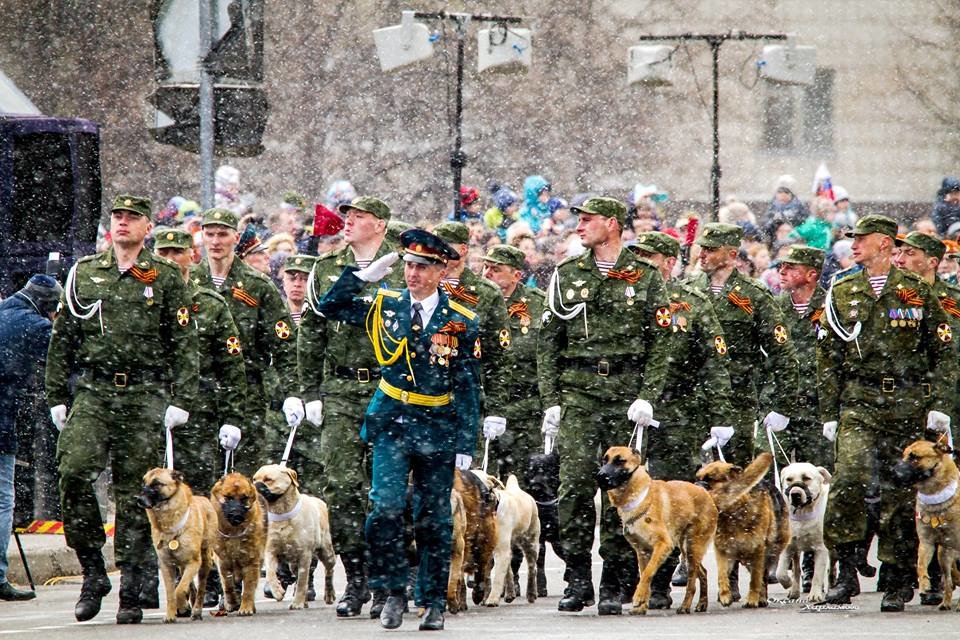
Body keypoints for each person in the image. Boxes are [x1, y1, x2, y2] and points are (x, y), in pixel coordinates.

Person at [315, 229, 482, 631]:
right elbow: (329, 307)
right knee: (385, 507)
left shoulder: (461, 320)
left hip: (437, 425)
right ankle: (391, 589)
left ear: (442, 270)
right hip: (392, 422)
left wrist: (466, 441)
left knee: (433, 517)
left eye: (423, 267)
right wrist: (362, 278)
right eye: (408, 265)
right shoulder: (386, 304)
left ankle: (432, 600)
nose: (413, 274)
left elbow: (468, 385)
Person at [46, 195, 199, 623]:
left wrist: (180, 399)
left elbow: (184, 343)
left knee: (138, 492)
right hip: (94, 391)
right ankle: (94, 568)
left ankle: (133, 585)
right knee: (74, 470)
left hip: (145, 392)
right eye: (118, 217)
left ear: (147, 227)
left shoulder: (165, 277)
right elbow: (64, 339)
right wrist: (57, 395)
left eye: (132, 218)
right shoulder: (85, 272)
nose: (123, 223)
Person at [538, 197, 672, 615]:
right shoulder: (567, 274)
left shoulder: (645, 275)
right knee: (575, 485)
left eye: (589, 220)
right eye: (579, 220)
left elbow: (661, 340)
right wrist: (551, 400)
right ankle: (578, 577)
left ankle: (614, 578)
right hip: (579, 392)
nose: (580, 227)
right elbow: (548, 342)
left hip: (625, 392)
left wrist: (648, 394)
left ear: (612, 224)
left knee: (623, 490)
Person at [818, 215, 958, 612]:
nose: (853, 245)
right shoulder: (842, 289)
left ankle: (897, 576)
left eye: (861, 239)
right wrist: (831, 411)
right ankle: (845, 571)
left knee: (900, 489)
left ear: (883, 243)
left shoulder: (914, 290)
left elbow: (944, 350)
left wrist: (939, 406)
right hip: (860, 401)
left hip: (906, 402)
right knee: (849, 479)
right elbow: (828, 356)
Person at [298, 196, 404, 618]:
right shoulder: (327, 268)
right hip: (340, 387)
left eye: (359, 218)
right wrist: (308, 393)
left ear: (379, 224)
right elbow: (312, 331)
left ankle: (387, 579)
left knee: (388, 490)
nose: (349, 223)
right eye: (348, 217)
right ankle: (355, 576)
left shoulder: (403, 264)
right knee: (341, 486)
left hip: (390, 388)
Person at [688, 222, 800, 600]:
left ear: (730, 254)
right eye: (700, 248)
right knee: (693, 486)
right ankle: (694, 568)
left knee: (735, 491)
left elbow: (783, 353)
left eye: (710, 248)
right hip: (692, 401)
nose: (701, 254)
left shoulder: (754, 296)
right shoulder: (688, 291)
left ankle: (738, 571)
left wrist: (781, 405)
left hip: (736, 402)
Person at [628, 231, 735, 606]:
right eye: (637, 256)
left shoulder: (691, 302)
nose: (641, 264)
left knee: (668, 498)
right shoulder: (626, 294)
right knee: (628, 495)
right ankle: (628, 578)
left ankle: (657, 586)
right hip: (631, 409)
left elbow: (715, 360)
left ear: (669, 262)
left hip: (677, 413)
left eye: (649, 258)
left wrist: (721, 415)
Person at [151, 226, 247, 607]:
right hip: (148, 409)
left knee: (201, 503)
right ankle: (145, 581)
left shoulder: (208, 302)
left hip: (200, 416)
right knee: (149, 499)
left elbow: (231, 363)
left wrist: (233, 417)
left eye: (179, 253)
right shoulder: (141, 299)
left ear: (192, 257)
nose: (172, 260)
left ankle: (205, 578)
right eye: (165, 253)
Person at [190, 208, 302, 475]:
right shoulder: (189, 281)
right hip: (197, 391)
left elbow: (284, 343)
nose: (216, 242)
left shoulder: (257, 286)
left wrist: (293, 392)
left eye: (223, 234)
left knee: (241, 483)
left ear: (236, 237)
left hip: (247, 394)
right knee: (196, 478)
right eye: (210, 234)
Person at [892, 230, 960, 606]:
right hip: (906, 406)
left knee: (952, 499)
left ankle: (948, 574)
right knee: (911, 503)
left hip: (947, 411)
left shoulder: (951, 303)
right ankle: (914, 577)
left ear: (932, 261)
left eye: (911, 253)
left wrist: (945, 404)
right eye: (899, 252)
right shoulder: (898, 297)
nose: (902, 259)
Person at [0, 275, 63, 601]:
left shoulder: (4, 311)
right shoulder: (34, 325)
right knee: (2, 500)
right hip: (2, 419)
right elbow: (66, 355)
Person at [431, 222, 511, 452]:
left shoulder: (486, 293)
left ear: (463, 250)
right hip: (423, 397)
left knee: (466, 481)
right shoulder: (422, 285)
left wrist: (496, 409)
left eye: (445, 246)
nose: (439, 252)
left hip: (467, 399)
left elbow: (499, 357)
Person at [479, 244, 545, 478]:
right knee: (481, 480)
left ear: (517, 275)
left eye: (495, 269)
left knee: (522, 483)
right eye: (485, 267)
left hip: (525, 408)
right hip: (484, 403)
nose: (487, 273)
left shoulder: (538, 304)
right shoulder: (476, 297)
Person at [775, 245, 831, 468]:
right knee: (771, 474)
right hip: (780, 404)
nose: (782, 272)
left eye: (791, 268)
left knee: (818, 476)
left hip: (816, 408)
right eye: (781, 266)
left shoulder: (832, 306)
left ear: (811, 275)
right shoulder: (774, 307)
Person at [280, 255, 315, 325]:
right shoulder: (275, 313)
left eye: (305, 279)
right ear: (284, 284)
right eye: (292, 279)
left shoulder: (321, 315)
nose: (297, 284)